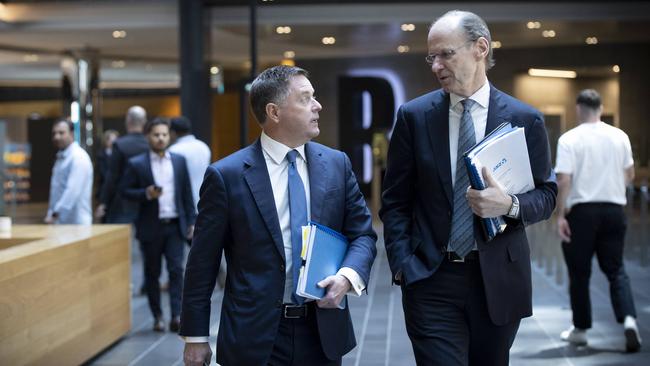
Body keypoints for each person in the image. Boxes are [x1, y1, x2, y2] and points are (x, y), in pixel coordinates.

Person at [379, 10, 557, 366]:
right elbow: (395, 200)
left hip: (498, 279)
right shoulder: (414, 117)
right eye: (431, 56)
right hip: (430, 278)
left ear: (480, 48)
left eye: (446, 54)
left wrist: (508, 204)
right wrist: (403, 264)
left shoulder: (524, 119)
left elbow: (547, 195)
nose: (436, 65)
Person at [180, 65, 377, 366]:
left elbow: (362, 234)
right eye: (305, 98)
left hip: (322, 329)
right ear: (274, 112)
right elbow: (202, 262)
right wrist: (196, 337)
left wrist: (347, 276)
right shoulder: (227, 176)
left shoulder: (337, 164)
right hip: (254, 335)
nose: (317, 105)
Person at [555, 89, 641, 352]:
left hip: (582, 213)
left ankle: (580, 330)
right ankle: (628, 320)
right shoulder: (620, 136)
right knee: (616, 269)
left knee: (579, 272)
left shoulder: (569, 139)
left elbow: (564, 180)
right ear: (601, 108)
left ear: (579, 109)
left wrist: (560, 216)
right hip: (614, 211)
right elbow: (630, 174)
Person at [119, 117, 196, 332]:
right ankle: (157, 316)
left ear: (169, 135)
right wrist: (145, 193)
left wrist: (192, 220)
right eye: (156, 135)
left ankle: (177, 315)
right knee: (151, 273)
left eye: (164, 134)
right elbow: (124, 191)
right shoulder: (137, 164)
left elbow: (187, 194)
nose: (161, 138)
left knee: (176, 271)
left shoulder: (179, 161)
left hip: (174, 225)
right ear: (147, 137)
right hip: (150, 226)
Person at [96, 105, 149, 223]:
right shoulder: (149, 145)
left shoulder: (119, 145)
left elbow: (112, 176)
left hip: (123, 204)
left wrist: (104, 202)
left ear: (127, 121)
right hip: (148, 201)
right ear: (144, 122)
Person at [45, 119, 93, 225]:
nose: (57, 137)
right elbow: (57, 190)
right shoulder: (61, 157)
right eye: (54, 133)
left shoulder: (79, 157)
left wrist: (55, 214)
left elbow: (73, 191)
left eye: (61, 133)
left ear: (71, 134)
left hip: (76, 222)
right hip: (61, 222)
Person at [169, 116, 211, 208]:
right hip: (205, 198)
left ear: (172, 132)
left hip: (184, 203)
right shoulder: (203, 146)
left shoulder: (173, 150)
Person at [95, 129, 119, 203]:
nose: (113, 142)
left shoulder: (119, 154)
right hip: (104, 188)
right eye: (110, 140)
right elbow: (103, 173)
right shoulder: (101, 155)